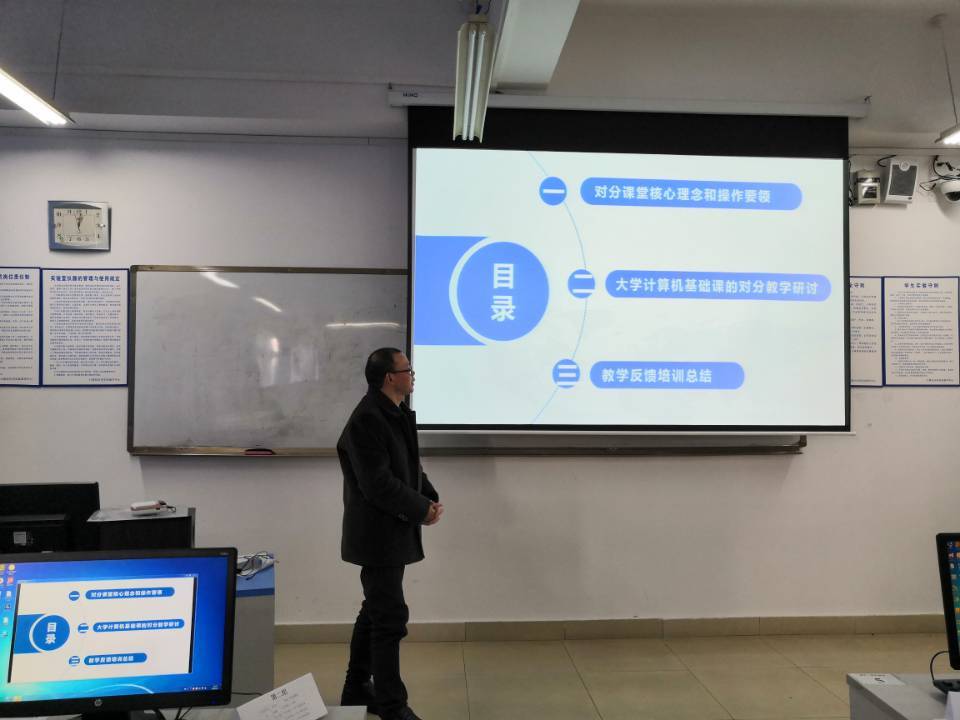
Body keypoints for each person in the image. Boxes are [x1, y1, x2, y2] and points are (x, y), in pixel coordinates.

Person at [338, 347, 442, 720]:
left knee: (375, 610)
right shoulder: (367, 419)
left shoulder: (393, 412)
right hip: (377, 535)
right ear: (389, 378)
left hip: (391, 530)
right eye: (407, 370)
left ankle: (355, 689)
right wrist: (418, 508)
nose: (412, 376)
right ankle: (391, 705)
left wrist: (428, 497)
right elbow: (378, 484)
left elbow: (408, 465)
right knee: (390, 618)